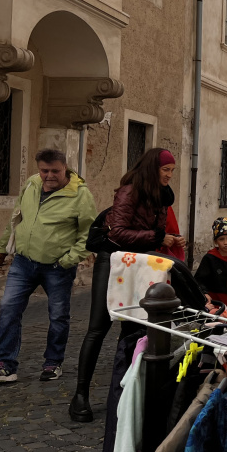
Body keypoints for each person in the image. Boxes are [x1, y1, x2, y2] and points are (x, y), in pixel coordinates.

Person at [69, 148, 184, 422]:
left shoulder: (161, 196)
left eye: (172, 170)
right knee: (98, 327)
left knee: (133, 327)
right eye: (165, 169)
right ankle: (80, 395)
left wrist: (166, 238)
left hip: (139, 264)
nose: (169, 175)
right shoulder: (129, 192)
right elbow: (118, 232)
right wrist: (157, 236)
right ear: (152, 169)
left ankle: (122, 392)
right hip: (112, 261)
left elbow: (152, 234)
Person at [0, 149, 97, 384]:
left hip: (57, 267)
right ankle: (5, 366)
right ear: (38, 169)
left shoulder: (80, 194)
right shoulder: (32, 184)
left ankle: (53, 363)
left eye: (55, 171)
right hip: (23, 263)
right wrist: (1, 247)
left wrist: (68, 260)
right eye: (44, 170)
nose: (49, 176)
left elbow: (89, 234)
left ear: (65, 169)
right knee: (9, 308)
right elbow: (16, 218)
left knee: (58, 316)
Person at [194, 217, 227, 319]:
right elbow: (199, 280)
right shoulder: (210, 259)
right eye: (221, 239)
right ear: (216, 241)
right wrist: (204, 294)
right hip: (214, 306)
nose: (226, 243)